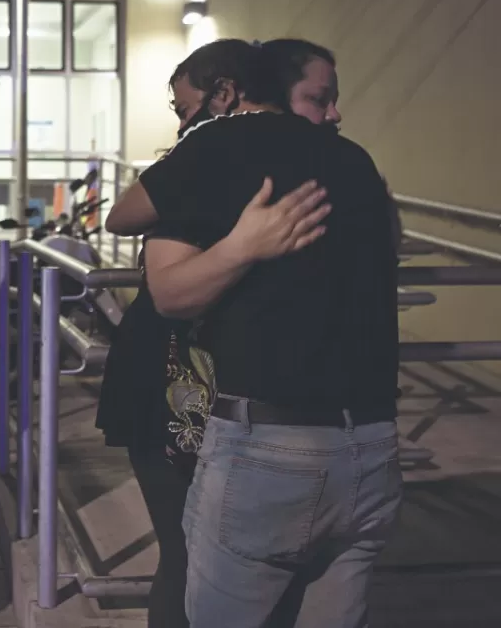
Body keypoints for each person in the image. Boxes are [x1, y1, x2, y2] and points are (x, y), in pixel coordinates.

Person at [138, 46, 400, 627]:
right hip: (373, 447)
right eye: (320, 98)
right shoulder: (357, 163)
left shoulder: (217, 147)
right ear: (288, 96)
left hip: (270, 446)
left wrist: (240, 249)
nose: (333, 113)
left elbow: (169, 292)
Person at [95, 38, 336, 628]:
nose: (331, 114)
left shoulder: (288, 163)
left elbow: (124, 216)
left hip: (239, 394)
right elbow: (130, 223)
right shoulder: (209, 158)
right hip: (177, 384)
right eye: (318, 98)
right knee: (193, 560)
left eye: (186, 110)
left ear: (226, 94)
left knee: (233, 566)